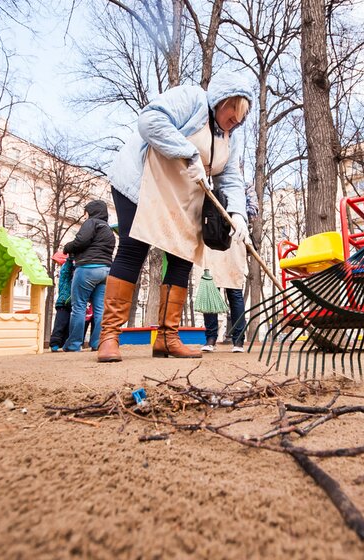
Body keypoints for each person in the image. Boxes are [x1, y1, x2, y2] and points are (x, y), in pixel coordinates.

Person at [96, 72, 253, 362]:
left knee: (182, 257)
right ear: (221, 101)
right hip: (142, 183)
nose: (236, 122)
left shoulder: (232, 136)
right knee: (134, 249)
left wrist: (239, 214)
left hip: (181, 195)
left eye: (241, 118)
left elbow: (230, 176)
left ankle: (167, 338)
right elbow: (150, 121)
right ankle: (109, 336)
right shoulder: (191, 99)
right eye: (233, 113)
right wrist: (189, 153)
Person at [202, 182, 258, 353]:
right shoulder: (207, 184)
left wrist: (236, 217)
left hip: (234, 237)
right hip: (210, 237)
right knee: (210, 288)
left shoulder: (244, 186)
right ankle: (211, 338)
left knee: (234, 289)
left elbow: (253, 209)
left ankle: (238, 340)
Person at [62, 200, 116, 352]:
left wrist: (68, 247)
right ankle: (97, 343)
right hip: (105, 271)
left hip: (87, 269)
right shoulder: (108, 229)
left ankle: (73, 344)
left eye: (86, 211)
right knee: (100, 309)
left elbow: (81, 241)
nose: (85, 215)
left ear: (92, 211)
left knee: (78, 306)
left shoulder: (92, 223)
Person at [48, 252, 74, 352]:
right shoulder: (65, 268)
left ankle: (60, 344)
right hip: (64, 301)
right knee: (61, 323)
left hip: (65, 300)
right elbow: (68, 266)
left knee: (64, 324)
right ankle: (55, 343)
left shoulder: (66, 268)